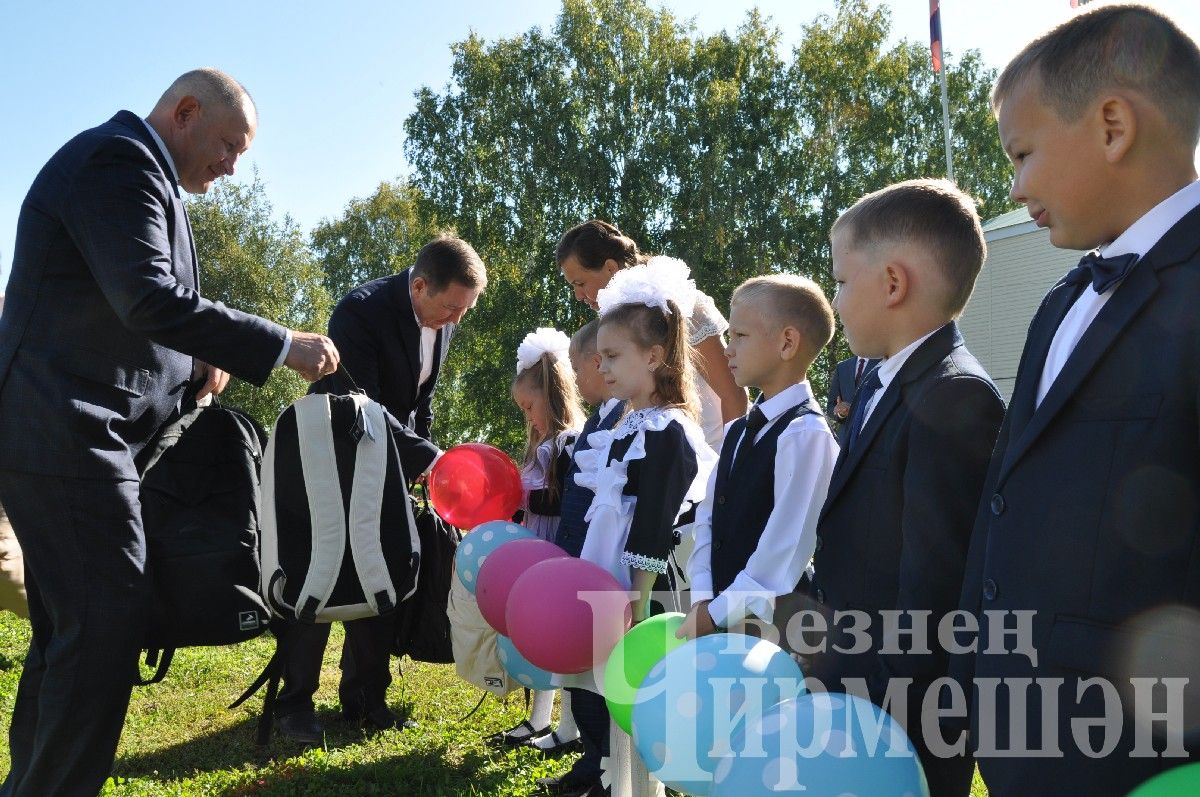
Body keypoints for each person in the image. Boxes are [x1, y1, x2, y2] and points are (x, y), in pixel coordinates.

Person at [0, 68, 339, 796]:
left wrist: (196, 367)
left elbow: (124, 312)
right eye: (228, 145)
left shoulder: (136, 173)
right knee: (101, 626)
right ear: (184, 112)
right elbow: (148, 296)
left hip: (72, 435)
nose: (232, 166)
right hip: (66, 434)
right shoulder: (117, 163)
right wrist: (279, 344)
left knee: (73, 634)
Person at [954, 7, 1200, 795]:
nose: (1016, 183)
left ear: (1113, 126)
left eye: (1022, 153)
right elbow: (1007, 497)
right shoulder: (1061, 301)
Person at [807, 179, 1004, 797]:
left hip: (898, 722)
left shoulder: (953, 396)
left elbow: (935, 593)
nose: (835, 301)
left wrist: (879, 724)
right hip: (854, 689)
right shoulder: (879, 384)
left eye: (840, 282)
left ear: (893, 284)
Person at [274, 235, 486, 743]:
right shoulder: (358, 313)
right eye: (452, 307)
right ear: (419, 286)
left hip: (392, 464)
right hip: (333, 458)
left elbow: (420, 402)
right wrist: (431, 460)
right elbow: (359, 403)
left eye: (466, 310)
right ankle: (295, 704)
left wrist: (423, 460)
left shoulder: (442, 320)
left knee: (381, 570)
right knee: (317, 573)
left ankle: (366, 699)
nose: (456, 319)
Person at [570, 256, 718, 796]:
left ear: (654, 357)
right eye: (599, 357)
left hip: (648, 592)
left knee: (647, 691)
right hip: (613, 581)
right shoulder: (626, 423)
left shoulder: (666, 430)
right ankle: (625, 784)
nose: (601, 367)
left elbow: (654, 525)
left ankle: (648, 787)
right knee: (618, 693)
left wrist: (635, 598)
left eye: (612, 356)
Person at [679, 274, 838, 641]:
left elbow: (783, 551)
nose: (727, 350)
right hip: (722, 621)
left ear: (787, 343)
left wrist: (715, 612)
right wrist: (703, 597)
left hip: (777, 632)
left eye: (740, 336)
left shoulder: (806, 436)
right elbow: (708, 517)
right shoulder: (737, 430)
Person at [557, 220, 746, 450]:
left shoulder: (682, 306)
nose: (578, 296)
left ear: (610, 267)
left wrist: (728, 467)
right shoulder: (615, 326)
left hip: (707, 457)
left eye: (580, 283)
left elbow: (733, 395)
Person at [536, 320, 626, 797]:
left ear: (598, 363)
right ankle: (593, 762)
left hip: (601, 566)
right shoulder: (599, 417)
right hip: (578, 558)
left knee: (598, 680)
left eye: (577, 366)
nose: (573, 377)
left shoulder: (623, 419)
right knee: (579, 674)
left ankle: (606, 769)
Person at [496, 327, 584, 755]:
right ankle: (537, 718)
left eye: (530, 406)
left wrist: (520, 495)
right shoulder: (538, 448)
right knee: (540, 639)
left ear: (551, 396)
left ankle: (569, 726)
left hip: (558, 553)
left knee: (562, 640)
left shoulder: (567, 445)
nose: (528, 416)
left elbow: (561, 502)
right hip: (535, 552)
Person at [823, 354, 879, 428]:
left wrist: (854, 411)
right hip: (846, 435)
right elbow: (831, 407)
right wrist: (841, 413)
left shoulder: (884, 363)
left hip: (873, 432)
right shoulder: (842, 367)